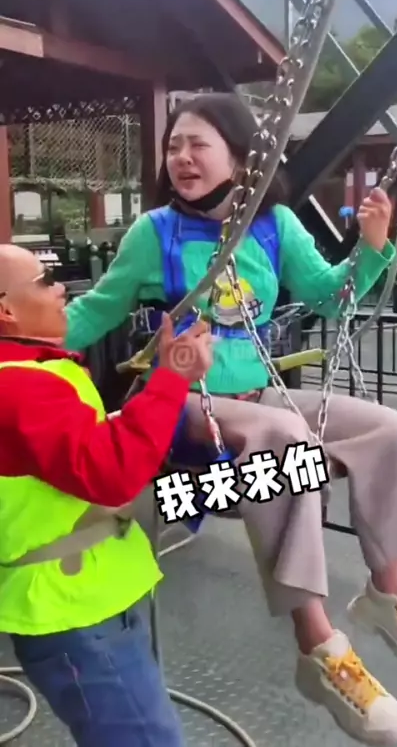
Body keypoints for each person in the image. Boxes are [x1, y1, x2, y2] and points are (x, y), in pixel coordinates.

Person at [65, 93, 397, 746]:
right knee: (283, 438)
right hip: (183, 404)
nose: (181, 157)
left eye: (198, 144)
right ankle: (318, 644)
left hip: (256, 395)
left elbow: (331, 297)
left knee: (391, 431)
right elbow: (96, 310)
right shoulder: (155, 232)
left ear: (243, 160)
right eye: (174, 145)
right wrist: (21, 339)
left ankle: (386, 591)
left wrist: (373, 248)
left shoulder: (274, 225)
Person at [0, 243, 213, 747]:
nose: (61, 289)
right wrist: (171, 380)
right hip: (75, 612)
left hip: (87, 601)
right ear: (5, 309)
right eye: (45, 280)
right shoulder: (21, 387)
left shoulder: (33, 370)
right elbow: (110, 472)